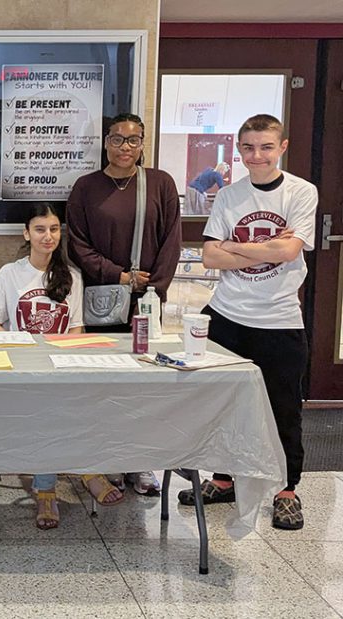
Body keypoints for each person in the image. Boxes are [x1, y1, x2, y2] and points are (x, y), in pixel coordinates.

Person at [181, 114, 316, 530]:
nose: (256, 156)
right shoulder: (228, 196)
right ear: (238, 150)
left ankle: (286, 490)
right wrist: (268, 248)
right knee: (222, 404)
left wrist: (237, 248)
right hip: (227, 316)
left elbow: (291, 253)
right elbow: (209, 257)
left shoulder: (301, 192)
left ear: (283, 147)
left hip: (279, 320)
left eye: (266, 147)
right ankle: (223, 480)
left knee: (283, 409)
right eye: (248, 147)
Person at [0, 203, 121, 529]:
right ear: (27, 233)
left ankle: (61, 483)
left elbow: (76, 330)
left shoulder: (72, 277)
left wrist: (61, 361)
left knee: (75, 404)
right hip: (19, 370)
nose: (48, 236)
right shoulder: (10, 274)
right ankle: (69, 481)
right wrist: (23, 350)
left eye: (54, 229)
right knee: (46, 411)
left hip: (61, 368)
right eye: (40, 229)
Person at [66, 112, 182, 496]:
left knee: (144, 385)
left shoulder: (160, 184)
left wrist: (154, 290)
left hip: (146, 304)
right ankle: (108, 460)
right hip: (102, 301)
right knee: (103, 384)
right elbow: (77, 244)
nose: (125, 148)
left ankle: (140, 463)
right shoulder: (86, 187)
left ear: (143, 143)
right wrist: (118, 275)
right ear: (105, 142)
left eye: (133, 140)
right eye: (117, 139)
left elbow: (171, 241)